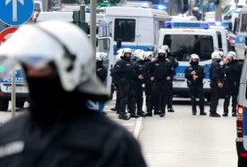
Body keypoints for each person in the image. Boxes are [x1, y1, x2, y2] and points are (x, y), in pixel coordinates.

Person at [0, 20, 147, 167]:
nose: (32, 75)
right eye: (27, 68)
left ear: (72, 68)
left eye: (40, 68)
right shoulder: (9, 135)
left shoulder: (111, 143)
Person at [111, 48, 136, 120]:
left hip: (130, 82)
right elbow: (114, 73)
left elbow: (133, 72)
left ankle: (131, 112)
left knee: (130, 98)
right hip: (123, 83)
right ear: (123, 54)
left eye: (129, 54)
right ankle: (121, 113)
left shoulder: (131, 62)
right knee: (123, 98)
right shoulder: (120, 62)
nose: (128, 55)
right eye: (126, 54)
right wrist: (121, 80)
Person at [149, 49, 175, 117]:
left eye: (162, 54)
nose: (161, 55)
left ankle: (162, 111)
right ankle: (155, 110)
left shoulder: (168, 63)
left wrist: (170, 76)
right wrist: (151, 76)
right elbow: (149, 71)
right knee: (155, 96)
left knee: (164, 97)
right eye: (160, 54)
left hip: (165, 82)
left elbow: (172, 72)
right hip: (156, 81)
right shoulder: (154, 63)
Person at [223, 51, 243, 117]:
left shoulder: (239, 64)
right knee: (226, 97)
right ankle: (225, 111)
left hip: (235, 83)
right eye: (228, 57)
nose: (228, 59)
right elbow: (222, 73)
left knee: (235, 98)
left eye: (230, 57)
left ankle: (234, 111)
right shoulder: (226, 65)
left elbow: (241, 73)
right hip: (227, 83)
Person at [161, 45, 178, 113]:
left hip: (168, 78)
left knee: (169, 93)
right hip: (160, 78)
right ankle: (160, 107)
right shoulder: (158, 59)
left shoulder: (171, 58)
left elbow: (175, 64)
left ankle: (169, 106)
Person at [209, 51, 224, 117]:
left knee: (214, 98)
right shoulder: (216, 64)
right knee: (215, 98)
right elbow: (215, 74)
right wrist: (218, 82)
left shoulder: (213, 64)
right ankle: (213, 112)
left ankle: (212, 111)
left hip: (214, 83)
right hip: (215, 83)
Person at [133, 51, 147, 117]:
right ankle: (133, 112)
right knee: (134, 98)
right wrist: (137, 76)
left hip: (140, 83)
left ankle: (140, 111)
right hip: (134, 83)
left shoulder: (144, 64)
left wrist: (144, 76)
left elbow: (146, 71)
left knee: (140, 98)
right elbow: (131, 72)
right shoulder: (135, 64)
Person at [143, 51, 155, 117]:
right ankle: (149, 110)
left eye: (151, 56)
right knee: (148, 96)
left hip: (153, 82)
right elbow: (145, 73)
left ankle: (150, 110)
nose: (150, 57)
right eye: (149, 56)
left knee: (150, 97)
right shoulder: (146, 64)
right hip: (148, 82)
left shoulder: (153, 63)